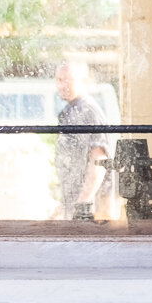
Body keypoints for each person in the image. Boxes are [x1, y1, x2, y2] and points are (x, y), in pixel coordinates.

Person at [51, 59, 111, 220]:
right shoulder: (69, 112)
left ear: (82, 81)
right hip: (76, 209)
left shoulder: (87, 111)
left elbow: (99, 162)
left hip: (91, 212)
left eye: (67, 80)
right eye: (58, 80)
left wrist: (81, 206)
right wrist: (62, 208)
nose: (61, 85)